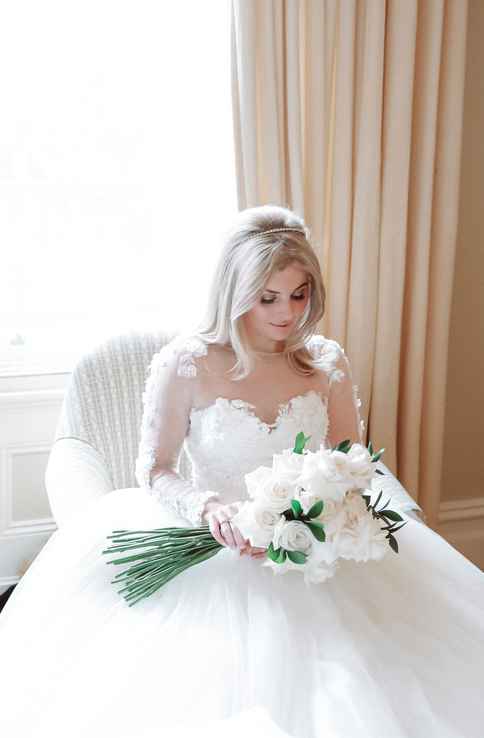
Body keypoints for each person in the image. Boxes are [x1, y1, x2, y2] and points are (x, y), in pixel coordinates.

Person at [0, 204, 483, 738]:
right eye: (267, 297)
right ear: (234, 291)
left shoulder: (325, 361)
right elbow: (156, 468)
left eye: (299, 294)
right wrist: (209, 508)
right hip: (214, 543)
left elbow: (350, 459)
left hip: (310, 545)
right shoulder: (188, 362)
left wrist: (322, 507)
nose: (286, 313)